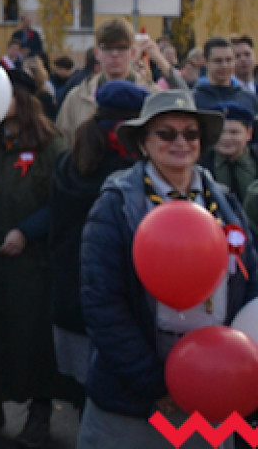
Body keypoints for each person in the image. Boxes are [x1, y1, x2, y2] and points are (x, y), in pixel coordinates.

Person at [78, 90, 258, 448]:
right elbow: (102, 303)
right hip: (136, 401)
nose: (181, 142)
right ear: (144, 144)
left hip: (209, 391)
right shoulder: (116, 205)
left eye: (190, 133)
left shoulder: (222, 201)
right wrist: (155, 382)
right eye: (166, 133)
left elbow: (251, 279)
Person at [0, 68, 66, 448]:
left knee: (32, 337)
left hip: (31, 264)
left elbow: (59, 203)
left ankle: (39, 411)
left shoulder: (51, 145)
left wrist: (27, 231)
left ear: (21, 98)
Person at [49, 81, 149, 391]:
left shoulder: (70, 160)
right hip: (118, 297)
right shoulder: (129, 174)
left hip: (70, 286)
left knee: (83, 386)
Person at [201, 102, 257, 205]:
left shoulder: (254, 159)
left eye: (234, 132)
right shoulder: (200, 164)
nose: (226, 138)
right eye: (220, 132)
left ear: (249, 133)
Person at [193, 37, 258, 115]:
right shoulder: (195, 99)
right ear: (206, 62)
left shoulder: (248, 99)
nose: (224, 66)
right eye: (218, 61)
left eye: (229, 60)